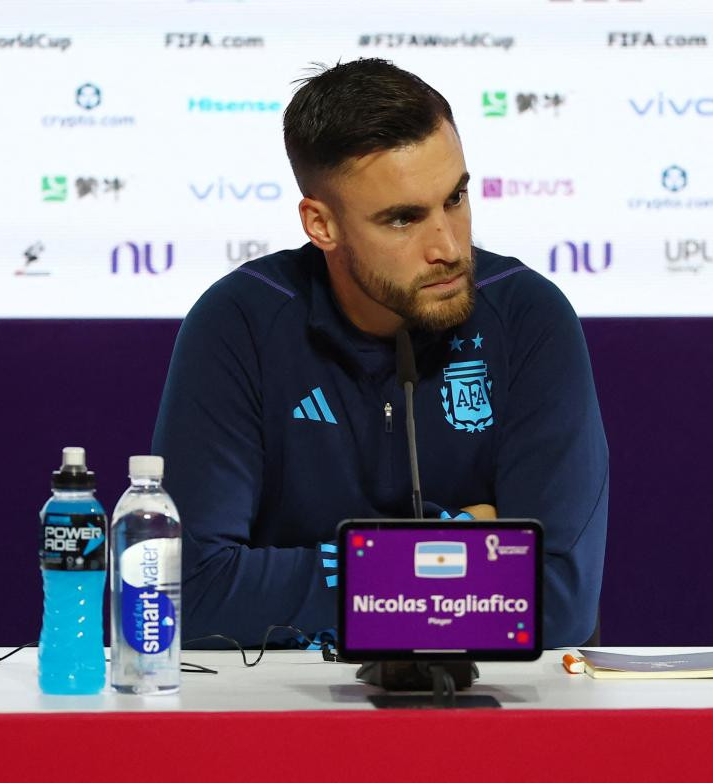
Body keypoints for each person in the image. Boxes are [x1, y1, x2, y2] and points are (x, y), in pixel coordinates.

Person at [153, 58, 608, 650]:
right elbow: (187, 594)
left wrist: (320, 579)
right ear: (322, 225)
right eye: (402, 219)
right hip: (289, 717)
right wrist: (458, 544)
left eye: (456, 198)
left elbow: (558, 601)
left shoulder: (528, 319)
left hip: (490, 714)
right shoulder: (239, 324)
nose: (447, 245)